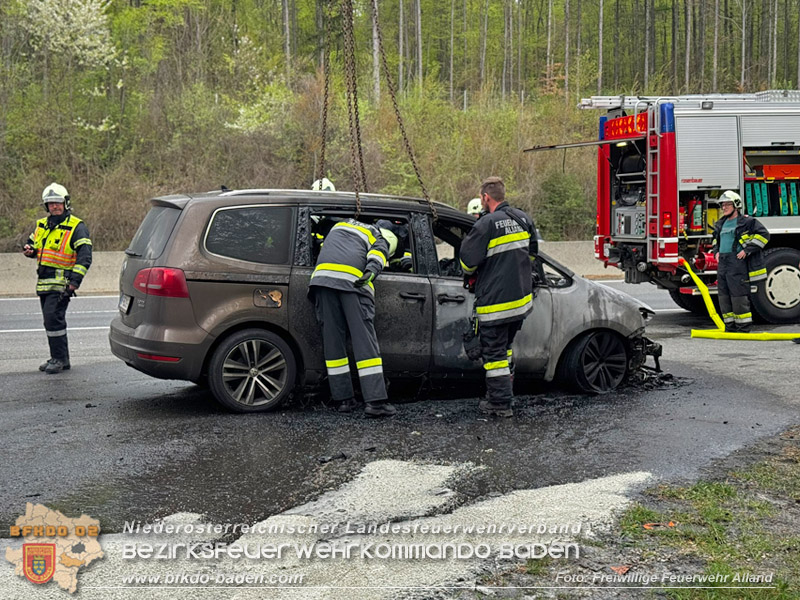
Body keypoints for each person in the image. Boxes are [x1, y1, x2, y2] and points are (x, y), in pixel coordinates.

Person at [460, 177, 538, 417]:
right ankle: (503, 395)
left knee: (493, 356)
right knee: (504, 350)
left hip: (496, 304)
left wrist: (480, 272)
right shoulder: (523, 218)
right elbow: (533, 256)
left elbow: (467, 263)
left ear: (486, 197)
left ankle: (500, 404)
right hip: (521, 303)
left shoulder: (487, 224)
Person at [309, 218, 397, 417]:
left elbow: (326, 248)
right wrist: (370, 272)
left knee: (333, 342)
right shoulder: (376, 234)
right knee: (364, 340)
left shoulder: (340, 225)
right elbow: (378, 255)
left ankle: (344, 400)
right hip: (352, 283)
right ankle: (376, 403)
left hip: (322, 281)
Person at [22, 183, 93, 374]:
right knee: (50, 320)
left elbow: (85, 256)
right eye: (50, 203)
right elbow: (32, 243)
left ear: (65, 203)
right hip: (44, 283)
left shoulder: (76, 226)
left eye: (57, 203)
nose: (54, 206)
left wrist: (74, 283)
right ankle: (59, 357)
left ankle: (60, 359)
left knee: (54, 319)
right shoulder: (42, 225)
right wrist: (30, 250)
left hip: (62, 285)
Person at [711, 190, 769, 333]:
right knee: (723, 295)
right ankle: (730, 327)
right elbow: (715, 240)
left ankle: (743, 327)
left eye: (727, 204)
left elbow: (764, 235)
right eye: (722, 205)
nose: (724, 207)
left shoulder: (747, 222)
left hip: (736, 263)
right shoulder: (720, 224)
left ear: (736, 205)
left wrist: (748, 250)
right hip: (723, 262)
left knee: (738, 295)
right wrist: (716, 252)